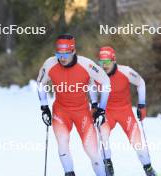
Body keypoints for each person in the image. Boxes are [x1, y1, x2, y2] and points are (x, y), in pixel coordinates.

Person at [37, 34, 111, 176]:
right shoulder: (50, 64)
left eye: (66, 54)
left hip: (82, 112)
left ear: (73, 51)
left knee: (92, 151)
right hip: (61, 112)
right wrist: (44, 107)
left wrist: (101, 109)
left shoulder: (86, 64)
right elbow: (41, 83)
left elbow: (106, 82)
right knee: (63, 145)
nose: (62, 58)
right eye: (59, 53)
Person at [92, 46, 157, 176]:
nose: (104, 66)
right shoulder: (96, 74)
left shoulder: (126, 71)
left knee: (137, 143)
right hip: (106, 111)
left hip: (124, 112)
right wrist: (94, 104)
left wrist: (142, 105)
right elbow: (91, 87)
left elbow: (141, 83)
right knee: (102, 138)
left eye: (107, 62)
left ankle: (149, 169)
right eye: (101, 62)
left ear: (114, 60)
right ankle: (107, 165)